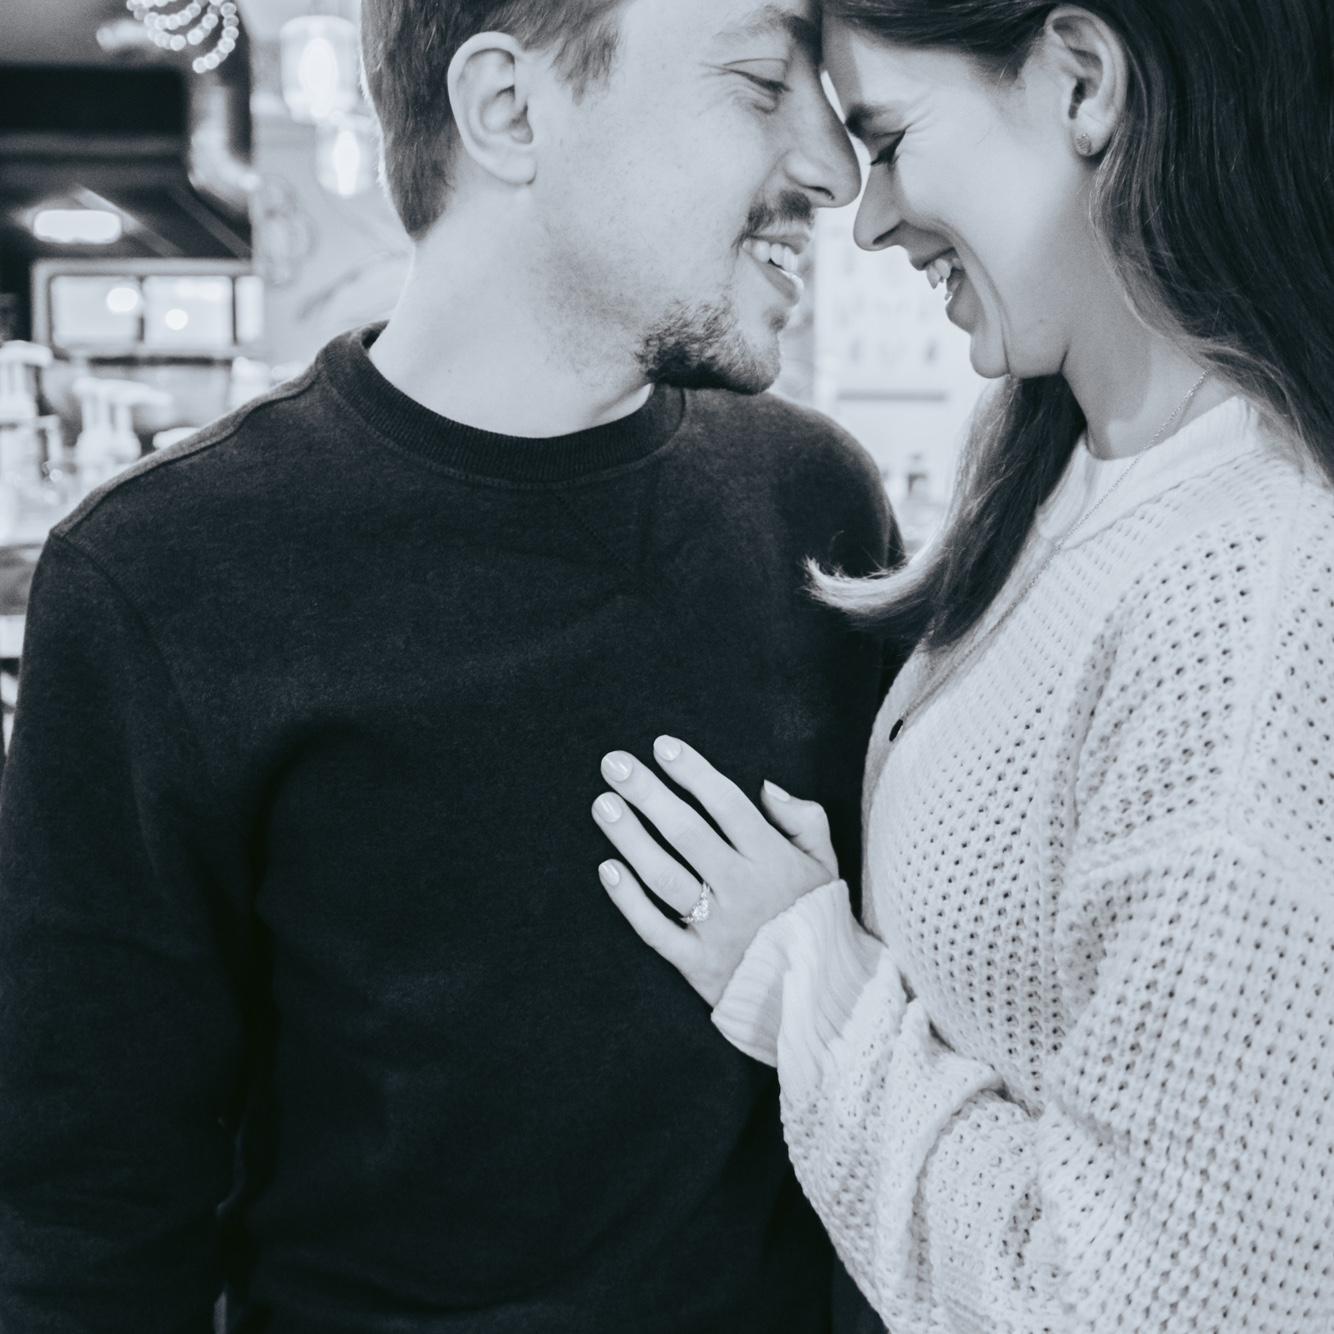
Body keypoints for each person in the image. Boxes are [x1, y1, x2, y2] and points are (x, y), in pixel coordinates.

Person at [0, 1, 901, 1329]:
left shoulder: (811, 505)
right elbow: (88, 1220)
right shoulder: (161, 575)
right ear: (508, 111)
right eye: (764, 82)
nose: (834, 167)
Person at [592, 1, 1334, 1329]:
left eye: (887, 138)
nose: (865, 216)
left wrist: (806, 978)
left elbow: (1142, 1307)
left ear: (1083, 83)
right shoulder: (1056, 460)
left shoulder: (1251, 600)